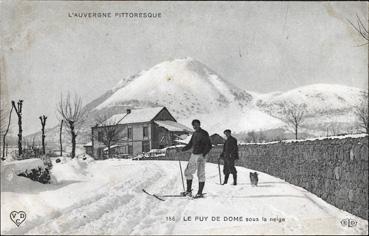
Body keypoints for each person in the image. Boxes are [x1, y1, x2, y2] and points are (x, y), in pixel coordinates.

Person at [181, 119, 212, 198]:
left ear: (199, 124)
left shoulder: (204, 133)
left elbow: (209, 145)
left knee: (201, 173)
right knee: (188, 172)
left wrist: (204, 154)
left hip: (201, 155)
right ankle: (188, 192)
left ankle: (199, 193)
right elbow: (190, 144)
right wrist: (181, 149)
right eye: (193, 125)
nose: (195, 126)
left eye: (196, 124)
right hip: (194, 155)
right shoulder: (194, 134)